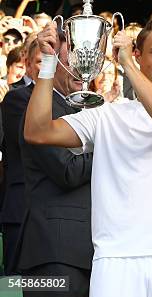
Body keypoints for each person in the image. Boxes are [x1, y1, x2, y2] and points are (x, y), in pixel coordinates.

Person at [24, 17, 152, 297]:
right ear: (138, 54)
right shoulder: (107, 114)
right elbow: (38, 132)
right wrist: (49, 62)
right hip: (116, 260)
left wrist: (127, 65)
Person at [16, 36, 94, 297]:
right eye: (71, 59)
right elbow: (68, 172)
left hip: (93, 250)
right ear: (55, 63)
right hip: (55, 252)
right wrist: (112, 147)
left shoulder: (90, 110)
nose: (79, 67)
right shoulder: (39, 110)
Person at [0, 38, 41, 274]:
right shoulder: (16, 99)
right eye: (39, 61)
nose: (45, 67)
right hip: (21, 209)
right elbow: (31, 139)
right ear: (26, 63)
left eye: (52, 61)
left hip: (55, 220)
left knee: (54, 285)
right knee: (14, 286)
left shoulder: (73, 103)